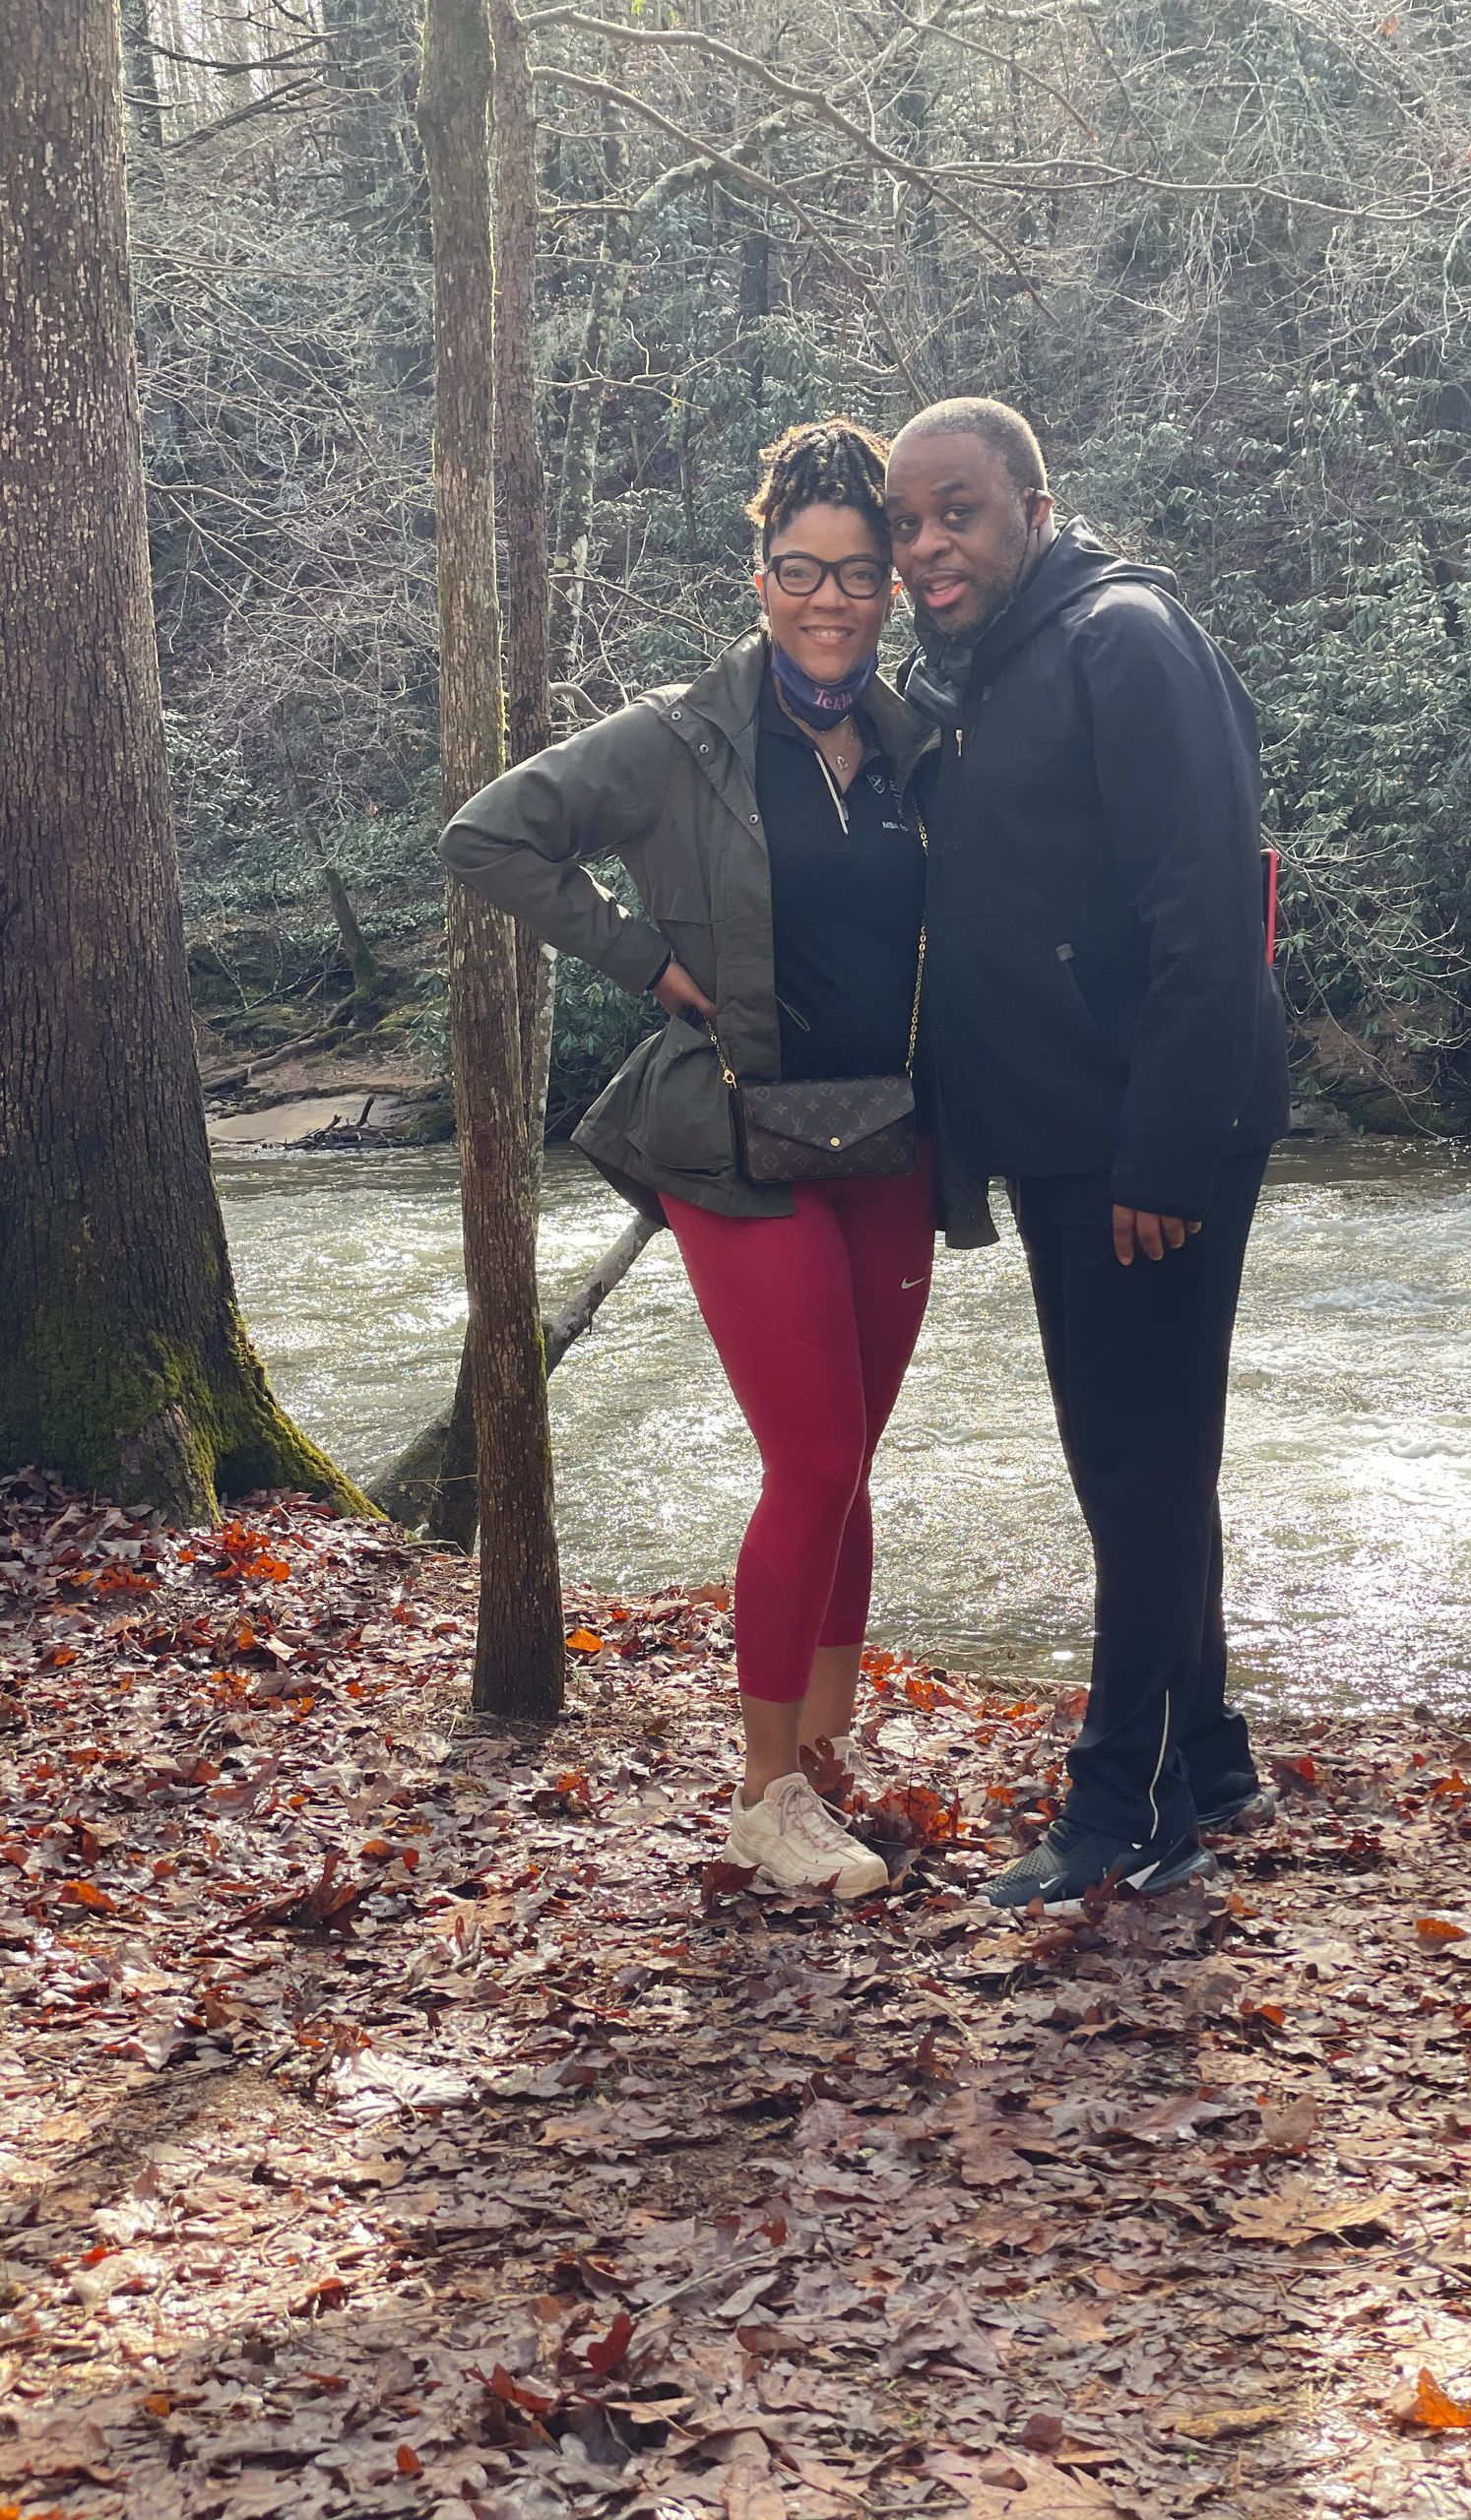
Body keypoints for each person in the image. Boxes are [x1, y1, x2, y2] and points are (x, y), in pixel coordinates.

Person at [443, 418, 991, 1898]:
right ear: (760, 580)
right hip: (735, 1136)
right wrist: (647, 963)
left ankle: (820, 1755)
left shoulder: (915, 744)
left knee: (851, 1465)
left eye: (859, 574)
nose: (831, 600)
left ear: (889, 589)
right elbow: (490, 838)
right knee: (808, 1461)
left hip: (889, 1136)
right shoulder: (680, 739)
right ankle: (761, 1798)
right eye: (802, 570)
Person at [883, 396, 1292, 1910]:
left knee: (1134, 1467)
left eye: (960, 511)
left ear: (1036, 510)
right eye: (909, 523)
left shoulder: (1124, 639)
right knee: (1147, 1456)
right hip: (1067, 1129)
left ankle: (1129, 1810)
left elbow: (1211, 913)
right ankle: (1211, 1756)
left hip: (1147, 1135)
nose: (929, 545)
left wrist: (1161, 1160)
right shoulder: (985, 670)